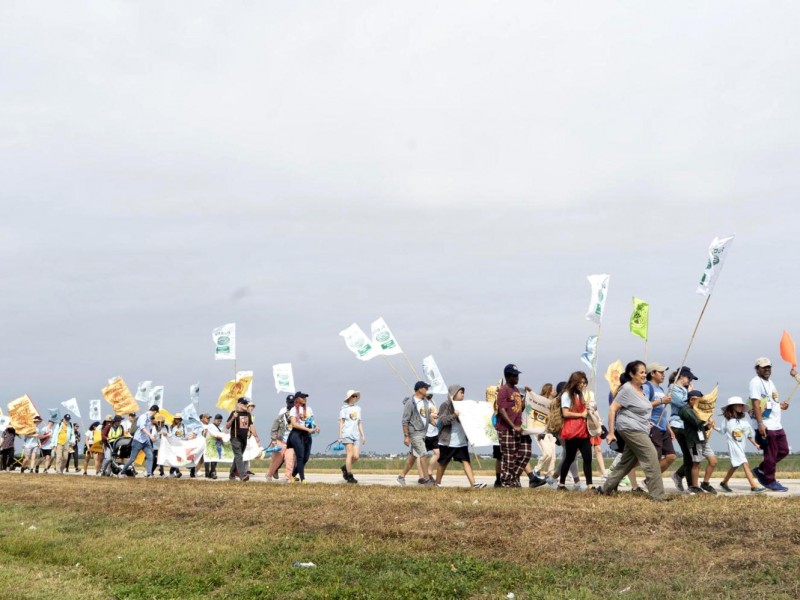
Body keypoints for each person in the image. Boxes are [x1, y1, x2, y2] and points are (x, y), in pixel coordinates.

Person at [599, 361, 666, 501]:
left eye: (644, 372)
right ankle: (657, 496)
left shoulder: (641, 390)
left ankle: (606, 488)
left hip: (640, 428)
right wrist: (611, 433)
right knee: (651, 455)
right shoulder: (627, 389)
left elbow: (640, 410)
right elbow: (612, 409)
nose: (644, 375)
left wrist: (647, 421)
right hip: (630, 428)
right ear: (631, 374)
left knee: (627, 461)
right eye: (641, 372)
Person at [435, 384, 486, 488]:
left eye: (463, 393)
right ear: (453, 393)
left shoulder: (464, 406)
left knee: (466, 461)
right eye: (460, 392)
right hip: (448, 441)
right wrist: (454, 415)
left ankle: (473, 484)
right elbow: (442, 420)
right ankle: (437, 483)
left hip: (461, 441)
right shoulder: (446, 405)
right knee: (443, 462)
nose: (463, 395)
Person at [750, 358, 790, 492]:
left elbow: (770, 401)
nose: (767, 369)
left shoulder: (770, 382)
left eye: (769, 367)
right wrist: (760, 424)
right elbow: (756, 404)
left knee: (784, 450)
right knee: (771, 454)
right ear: (757, 369)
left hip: (777, 424)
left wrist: (780, 406)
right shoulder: (755, 382)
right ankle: (770, 481)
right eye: (764, 367)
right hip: (767, 425)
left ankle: (761, 469)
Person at [717, 397, 766, 494]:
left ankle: (724, 482)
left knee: (735, 465)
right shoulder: (726, 420)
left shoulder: (744, 420)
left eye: (741, 405)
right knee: (744, 462)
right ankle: (753, 486)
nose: (740, 407)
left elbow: (748, 434)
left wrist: (755, 444)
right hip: (733, 445)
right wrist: (712, 427)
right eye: (738, 405)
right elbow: (722, 431)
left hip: (741, 445)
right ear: (732, 407)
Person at [495, 364, 532, 488]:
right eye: (514, 375)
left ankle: (513, 477)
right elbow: (502, 410)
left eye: (517, 375)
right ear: (508, 376)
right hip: (506, 429)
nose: (517, 378)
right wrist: (512, 426)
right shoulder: (504, 390)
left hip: (518, 427)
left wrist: (528, 397)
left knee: (525, 452)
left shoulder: (516, 390)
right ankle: (507, 482)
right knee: (509, 456)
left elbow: (519, 409)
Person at [557, 371, 594, 491]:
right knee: (570, 457)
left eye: (585, 383)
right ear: (575, 382)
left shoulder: (581, 395)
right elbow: (565, 413)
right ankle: (561, 484)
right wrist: (581, 414)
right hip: (572, 431)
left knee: (587, 457)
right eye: (581, 382)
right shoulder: (566, 395)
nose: (583, 385)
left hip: (583, 431)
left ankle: (590, 485)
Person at [398, 381, 436, 486]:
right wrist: (406, 436)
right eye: (425, 388)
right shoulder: (410, 402)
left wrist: (437, 426)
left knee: (412, 457)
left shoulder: (424, 401)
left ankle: (401, 477)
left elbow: (428, 417)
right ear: (419, 389)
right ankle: (427, 479)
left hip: (422, 433)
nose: (427, 390)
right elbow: (404, 421)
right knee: (423, 454)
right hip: (414, 433)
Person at [667, 367, 699, 492]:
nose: (690, 381)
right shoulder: (673, 388)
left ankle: (679, 475)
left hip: (686, 424)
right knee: (688, 454)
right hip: (678, 424)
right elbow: (681, 403)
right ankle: (691, 485)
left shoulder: (684, 389)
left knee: (690, 455)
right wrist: (690, 394)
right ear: (682, 376)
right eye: (689, 378)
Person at [644, 363, 677, 474]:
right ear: (652, 373)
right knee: (656, 458)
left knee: (671, 456)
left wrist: (669, 428)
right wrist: (662, 401)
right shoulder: (647, 387)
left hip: (663, 427)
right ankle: (653, 482)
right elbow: (644, 405)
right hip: (653, 426)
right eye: (661, 372)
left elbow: (663, 411)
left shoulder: (661, 389)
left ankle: (650, 480)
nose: (663, 375)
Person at [678, 391, 711, 495]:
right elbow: (696, 422)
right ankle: (694, 486)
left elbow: (699, 426)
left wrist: (706, 427)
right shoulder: (686, 410)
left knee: (713, 461)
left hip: (702, 439)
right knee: (696, 463)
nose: (700, 403)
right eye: (698, 400)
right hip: (694, 441)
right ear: (691, 400)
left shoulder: (695, 410)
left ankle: (705, 483)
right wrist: (706, 415)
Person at [119, 404, 159, 478]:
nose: (155, 414)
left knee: (150, 456)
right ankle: (122, 472)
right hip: (138, 440)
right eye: (156, 413)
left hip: (146, 441)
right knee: (132, 459)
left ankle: (149, 474)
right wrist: (150, 435)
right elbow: (142, 428)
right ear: (155, 411)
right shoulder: (143, 416)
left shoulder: (149, 418)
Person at [226, 397, 259, 482]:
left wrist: (256, 436)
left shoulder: (248, 414)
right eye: (244, 403)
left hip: (244, 439)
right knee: (239, 456)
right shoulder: (234, 413)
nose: (245, 405)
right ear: (239, 404)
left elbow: (251, 426)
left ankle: (232, 473)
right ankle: (242, 475)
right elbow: (227, 426)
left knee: (237, 457)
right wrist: (233, 418)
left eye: (246, 403)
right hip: (235, 438)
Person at [286, 392, 316, 483]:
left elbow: (311, 422)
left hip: (307, 434)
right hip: (297, 434)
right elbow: (294, 424)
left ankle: (293, 475)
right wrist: (306, 429)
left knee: (305, 458)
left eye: (305, 397)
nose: (305, 399)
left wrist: (315, 427)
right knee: (300, 456)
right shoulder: (293, 410)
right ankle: (303, 479)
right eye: (303, 397)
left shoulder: (309, 409)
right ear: (297, 399)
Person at [338, 390, 366, 484]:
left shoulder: (358, 408)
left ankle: (345, 467)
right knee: (349, 454)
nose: (354, 398)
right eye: (353, 396)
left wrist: (363, 435)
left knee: (356, 456)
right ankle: (349, 475)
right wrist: (340, 435)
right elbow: (341, 422)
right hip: (347, 434)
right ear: (349, 398)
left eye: (355, 396)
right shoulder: (344, 409)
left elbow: (359, 422)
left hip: (356, 434)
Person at [532, 384, 557, 483]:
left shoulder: (552, 403)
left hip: (550, 432)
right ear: (549, 390)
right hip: (540, 431)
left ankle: (549, 474)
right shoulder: (540, 402)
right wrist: (538, 431)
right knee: (547, 453)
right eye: (553, 389)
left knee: (553, 456)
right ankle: (536, 469)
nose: (554, 391)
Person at [203, 414, 224, 480]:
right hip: (209, 444)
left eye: (220, 421)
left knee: (215, 458)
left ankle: (212, 471)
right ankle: (207, 472)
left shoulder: (221, 427)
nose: (219, 422)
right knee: (208, 458)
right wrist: (205, 432)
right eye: (218, 421)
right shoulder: (210, 426)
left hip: (217, 444)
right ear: (215, 420)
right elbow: (204, 434)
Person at [167, 414, 186, 478]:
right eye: (176, 419)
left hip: (180, 445)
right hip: (173, 445)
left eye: (179, 419)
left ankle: (172, 472)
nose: (177, 420)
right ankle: (177, 472)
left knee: (178, 459)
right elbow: (170, 435)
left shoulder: (183, 426)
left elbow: (185, 435)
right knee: (174, 459)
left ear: (181, 420)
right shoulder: (171, 426)